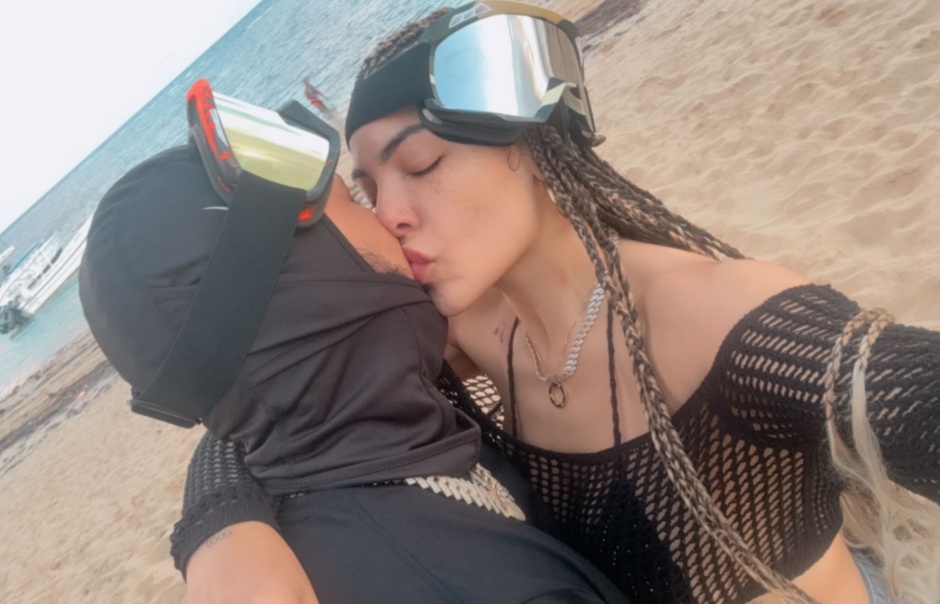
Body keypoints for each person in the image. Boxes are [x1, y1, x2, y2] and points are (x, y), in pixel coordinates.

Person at [174, 3, 940, 603]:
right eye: (370, 189)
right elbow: (282, 397)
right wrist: (220, 531)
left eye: (422, 164)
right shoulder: (467, 326)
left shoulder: (721, 320)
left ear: (531, 146)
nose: (391, 215)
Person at [78, 85, 629, 604]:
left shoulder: (375, 429)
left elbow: (257, 402)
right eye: (353, 200)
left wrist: (214, 515)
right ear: (306, 284)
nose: (386, 217)